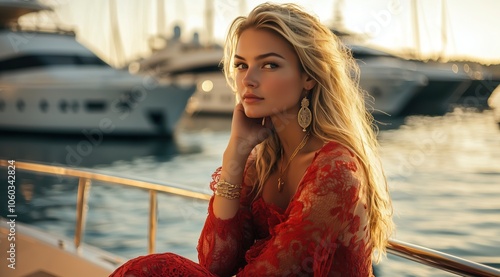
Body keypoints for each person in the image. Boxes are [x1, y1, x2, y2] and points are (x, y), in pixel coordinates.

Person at [110, 3, 394, 276]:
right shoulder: (261, 162)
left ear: (308, 76)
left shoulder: (337, 169)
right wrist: (236, 151)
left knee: (149, 271)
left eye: (269, 65)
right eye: (242, 65)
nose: (248, 79)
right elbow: (215, 263)